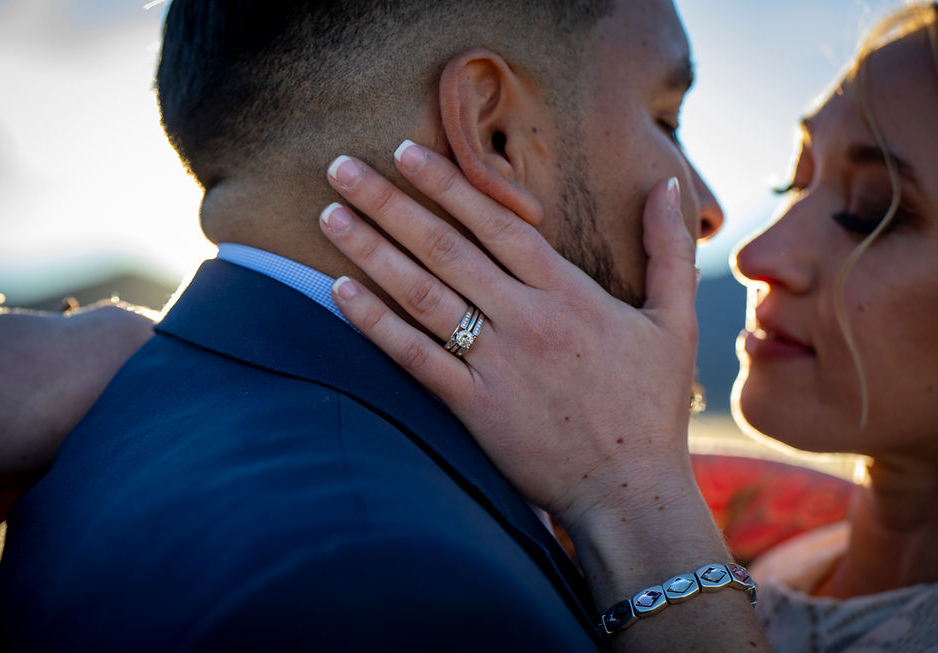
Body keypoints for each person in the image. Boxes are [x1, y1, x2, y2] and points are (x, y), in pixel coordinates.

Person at [0, 1, 770, 651]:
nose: (707, 208)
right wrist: (639, 499)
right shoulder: (399, 592)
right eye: (666, 118)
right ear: (492, 131)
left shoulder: (124, 407)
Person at [316, 3, 938, 651]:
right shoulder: (772, 539)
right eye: (794, 185)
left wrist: (631, 490)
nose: (755, 255)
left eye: (872, 212)